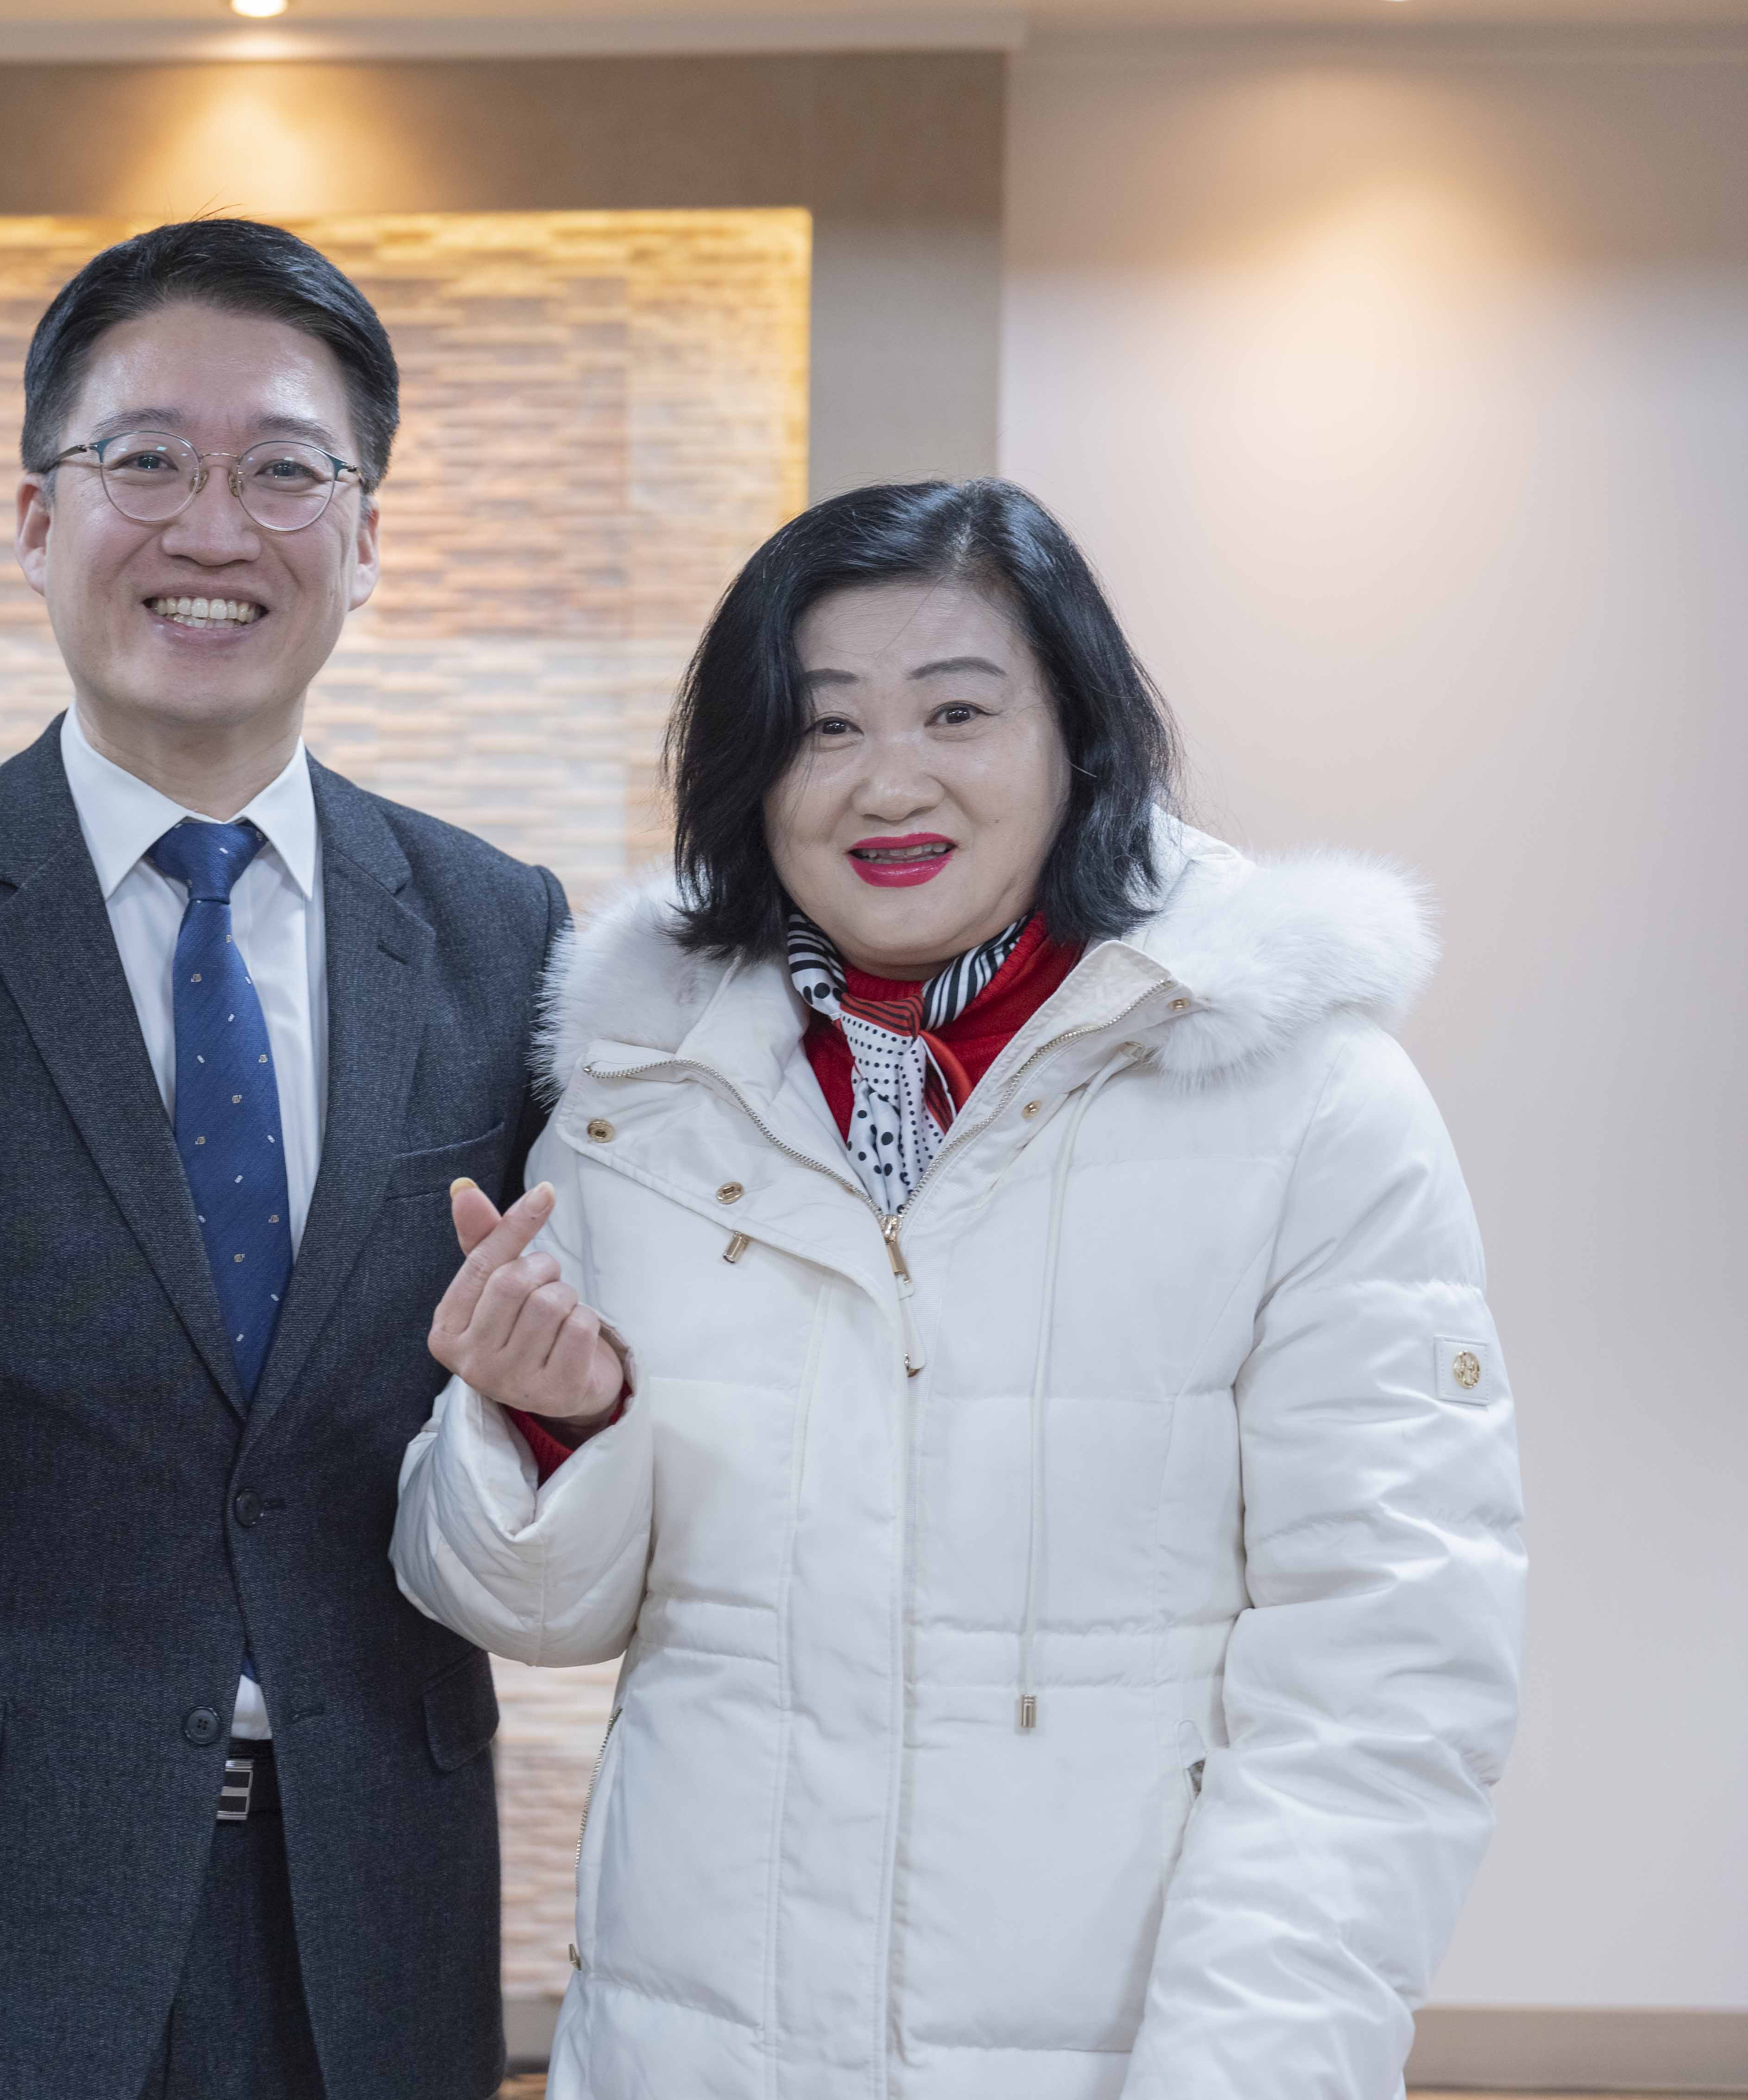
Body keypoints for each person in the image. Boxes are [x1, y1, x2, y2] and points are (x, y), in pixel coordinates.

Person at [392, 477, 1527, 2099]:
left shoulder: (1304, 1103)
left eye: (959, 712)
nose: (889, 780)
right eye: (825, 725)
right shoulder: (642, 1095)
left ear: (1080, 738)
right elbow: (536, 1613)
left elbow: (1388, 1669)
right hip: (698, 2050)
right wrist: (551, 1426)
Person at [0, 219, 566, 2100]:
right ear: (33, 518)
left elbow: (549, 1435)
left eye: (285, 471)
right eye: (146, 460)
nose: (212, 528)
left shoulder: (500, 933)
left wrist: (566, 1399)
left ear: (367, 535)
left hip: (362, 1921)